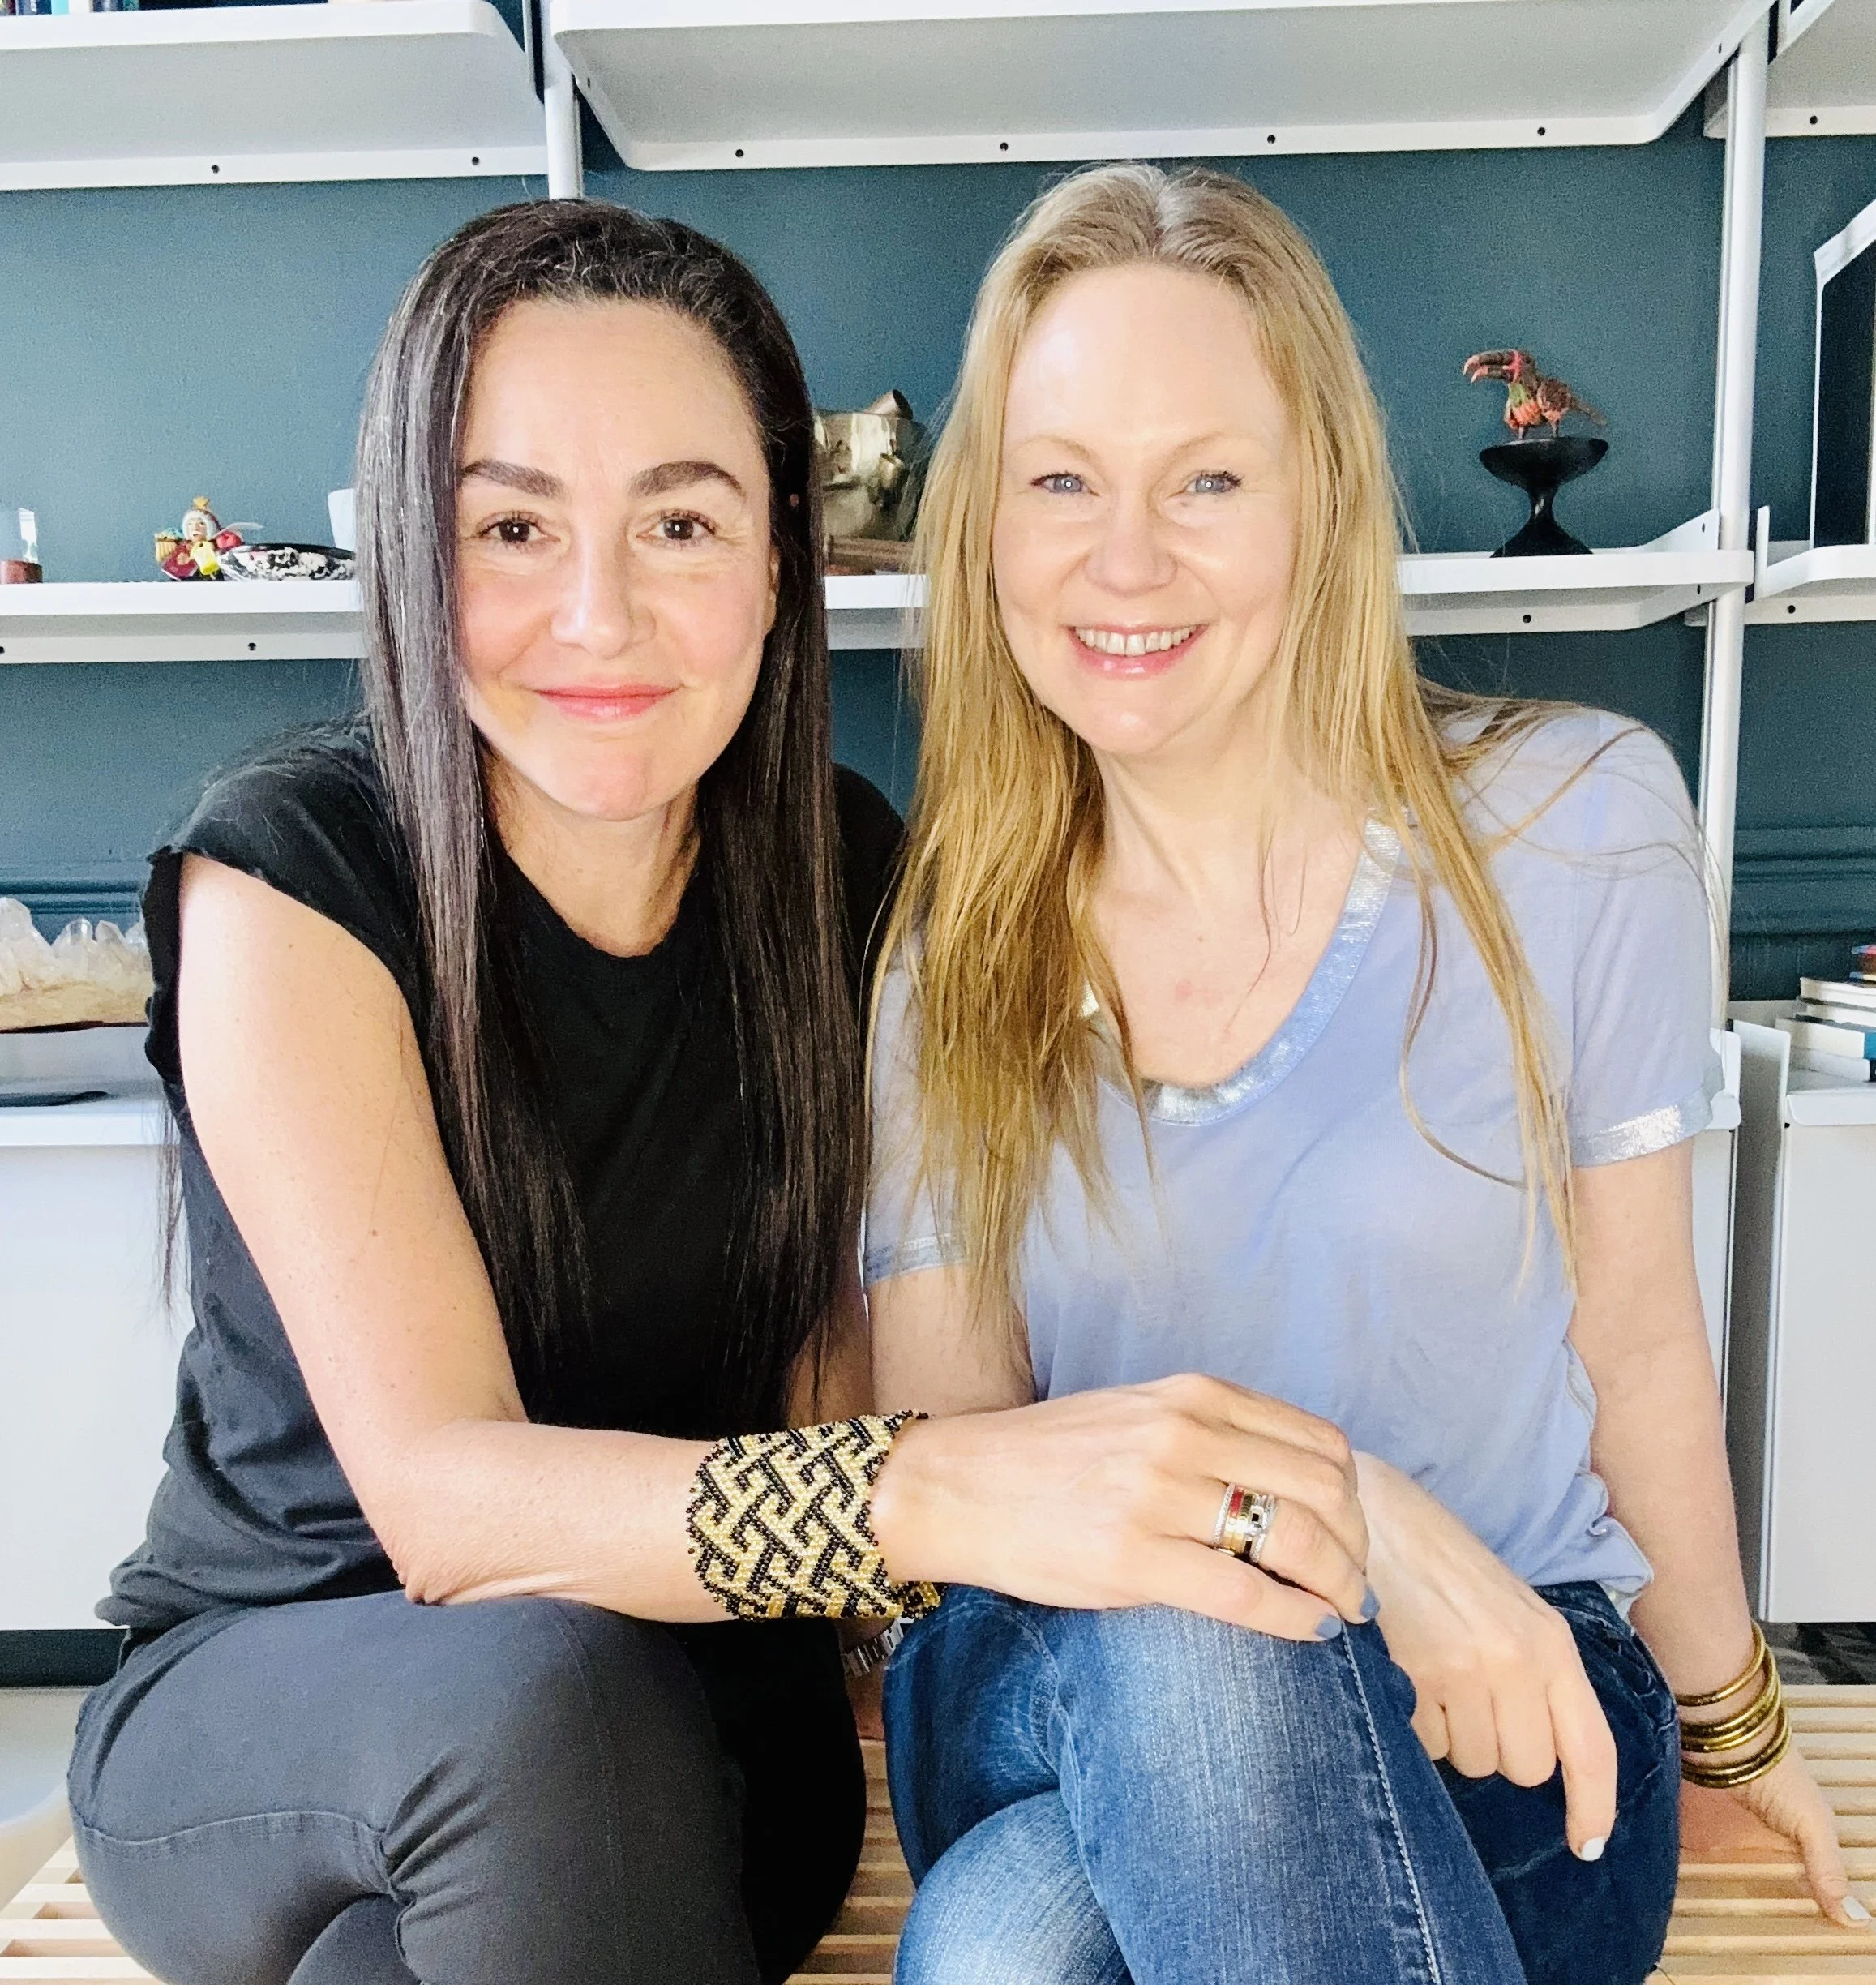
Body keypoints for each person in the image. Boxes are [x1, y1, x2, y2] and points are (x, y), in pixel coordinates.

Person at [64, 196, 1381, 1985]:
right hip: (280, 1696)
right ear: (412, 557)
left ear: (779, 560)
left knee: (465, 1880)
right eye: (512, 525)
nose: (597, 614)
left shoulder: (846, 874)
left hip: (691, 1707)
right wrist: (938, 1496)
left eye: (680, 522)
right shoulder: (294, 879)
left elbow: (861, 1357)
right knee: (536, 1695)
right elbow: (451, 1513)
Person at [864, 163, 1865, 1985]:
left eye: (1209, 481)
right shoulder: (945, 959)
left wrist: (1732, 1727)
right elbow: (965, 1483)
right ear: (983, 529)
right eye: (1060, 479)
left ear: (1317, 500)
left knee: (1010, 1942)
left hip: (1505, 1708)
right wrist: (1345, 1523)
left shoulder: (1569, 826)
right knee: (1206, 1627)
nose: (1126, 559)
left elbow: (1639, 1346)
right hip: (1059, 1683)